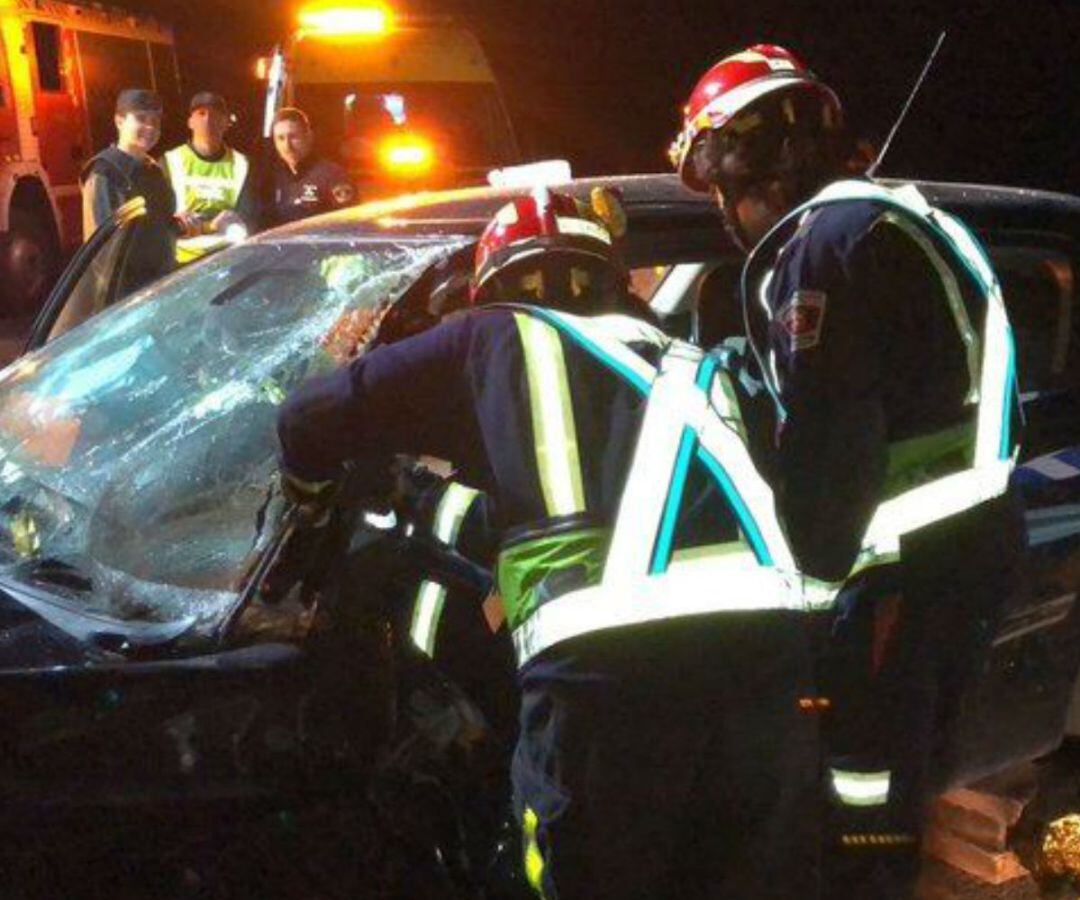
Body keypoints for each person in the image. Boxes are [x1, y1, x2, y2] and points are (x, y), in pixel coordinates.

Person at [275, 186, 833, 899]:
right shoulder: (695, 364)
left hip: (607, 674)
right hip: (770, 660)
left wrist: (311, 515)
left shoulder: (493, 336)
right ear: (611, 280)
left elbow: (306, 420)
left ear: (493, 287)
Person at [669, 44, 1024, 896]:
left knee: (859, 790)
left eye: (727, 187)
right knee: (904, 771)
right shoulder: (905, 222)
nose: (730, 211)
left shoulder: (822, 248)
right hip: (965, 555)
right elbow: (905, 392)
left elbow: (832, 438)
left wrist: (807, 591)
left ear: (755, 160)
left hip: (896, 576)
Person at [80, 88, 177, 293]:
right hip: (126, 295)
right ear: (119, 121)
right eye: (141, 119)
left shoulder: (154, 171)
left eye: (155, 121)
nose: (150, 127)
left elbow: (160, 226)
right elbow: (101, 251)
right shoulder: (105, 173)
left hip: (161, 287)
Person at [163, 92, 259, 264]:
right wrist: (207, 225)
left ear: (226, 123)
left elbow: (250, 216)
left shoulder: (242, 163)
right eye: (201, 114)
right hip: (180, 264)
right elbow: (159, 219)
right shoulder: (170, 161)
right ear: (190, 122)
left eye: (215, 115)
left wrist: (238, 220)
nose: (208, 120)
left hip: (228, 259)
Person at [267, 107, 356, 227]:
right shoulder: (270, 177)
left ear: (308, 136)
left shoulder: (333, 176)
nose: (287, 146)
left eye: (293, 137)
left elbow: (348, 224)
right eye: (280, 138)